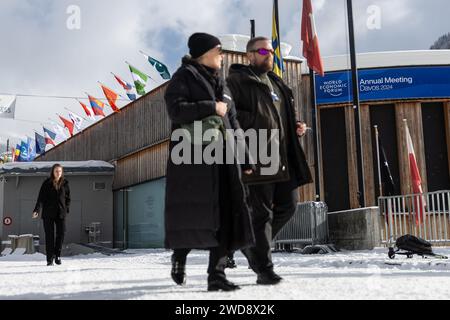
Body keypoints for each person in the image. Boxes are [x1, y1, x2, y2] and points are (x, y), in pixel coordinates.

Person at [164, 33, 255, 292]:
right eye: (219, 51)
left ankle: (216, 275)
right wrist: (210, 107)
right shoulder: (183, 77)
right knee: (191, 214)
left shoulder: (223, 85)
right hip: (192, 159)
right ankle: (179, 257)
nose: (222, 56)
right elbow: (176, 110)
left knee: (226, 213)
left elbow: (234, 123)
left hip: (224, 159)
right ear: (204, 53)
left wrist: (245, 157)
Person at [226, 36, 313, 285]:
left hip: (283, 157)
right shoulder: (236, 81)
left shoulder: (277, 82)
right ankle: (264, 269)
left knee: (289, 206)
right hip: (257, 157)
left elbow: (281, 116)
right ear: (249, 55)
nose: (269, 54)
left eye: (271, 50)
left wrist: (295, 125)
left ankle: (249, 243)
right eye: (263, 50)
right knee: (261, 215)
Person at [32, 164, 71, 266]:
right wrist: (36, 210)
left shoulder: (65, 183)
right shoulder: (46, 183)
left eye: (60, 171)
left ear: (62, 172)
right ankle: (49, 259)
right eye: (56, 171)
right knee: (49, 236)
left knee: (61, 234)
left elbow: (68, 198)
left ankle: (57, 255)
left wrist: (66, 209)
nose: (58, 173)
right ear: (53, 172)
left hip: (61, 213)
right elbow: (41, 198)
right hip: (48, 213)